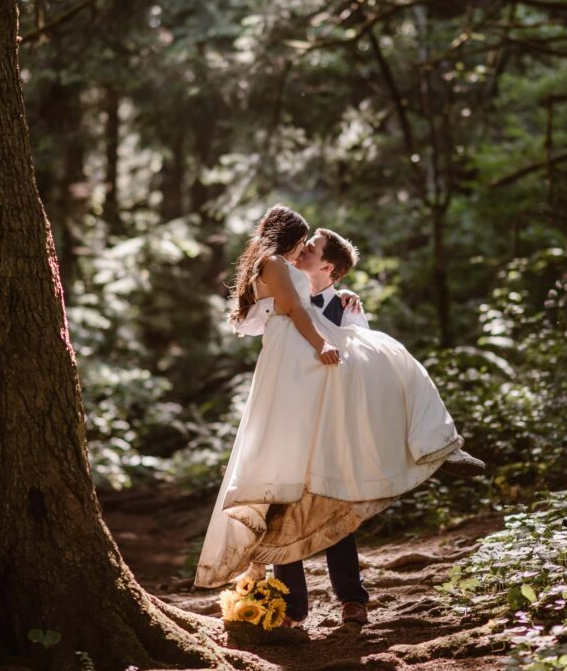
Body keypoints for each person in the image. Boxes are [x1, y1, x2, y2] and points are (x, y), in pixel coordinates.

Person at [193, 205, 484, 622]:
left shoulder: (344, 309)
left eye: (311, 248)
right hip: (293, 405)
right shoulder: (280, 277)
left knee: (335, 499)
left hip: (330, 420)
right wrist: (316, 338)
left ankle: (352, 598)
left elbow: (367, 376)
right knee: (283, 498)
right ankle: (290, 608)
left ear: (327, 266)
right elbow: (281, 314)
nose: (303, 252)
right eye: (303, 244)